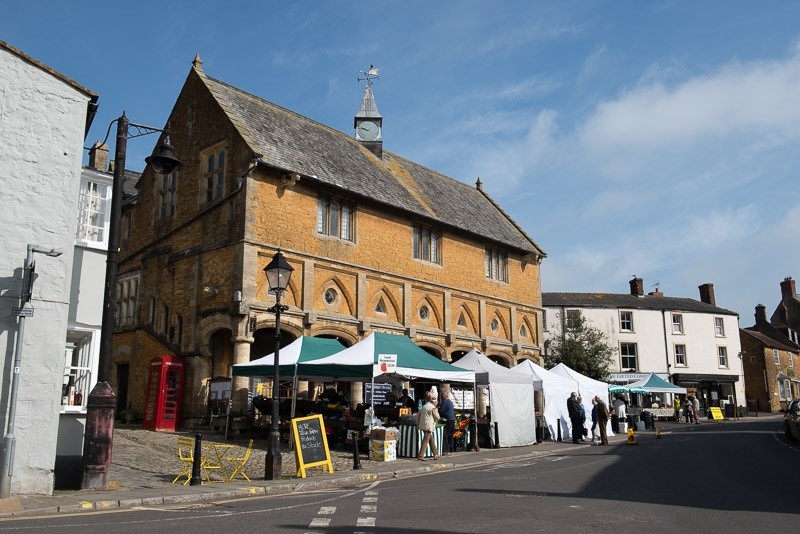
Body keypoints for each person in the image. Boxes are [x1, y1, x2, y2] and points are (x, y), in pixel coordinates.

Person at [417, 391, 440, 460]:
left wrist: (418, 424)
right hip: (429, 426)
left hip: (423, 425)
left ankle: (436, 454)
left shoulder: (424, 406)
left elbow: (418, 415)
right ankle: (420, 456)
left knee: (430, 440)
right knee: (425, 440)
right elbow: (437, 417)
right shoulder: (432, 407)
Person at [438, 390, 456, 455]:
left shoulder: (444, 402)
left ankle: (446, 449)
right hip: (453, 420)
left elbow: (441, 411)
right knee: (451, 435)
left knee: (446, 435)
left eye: (441, 396)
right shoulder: (450, 402)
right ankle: (451, 448)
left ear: (443, 397)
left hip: (447, 420)